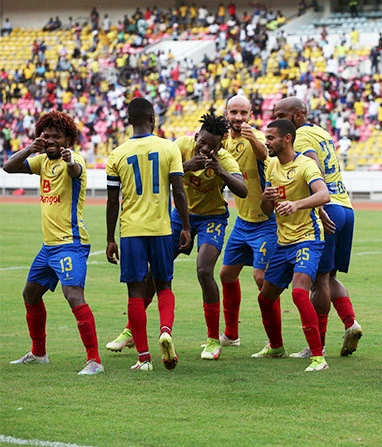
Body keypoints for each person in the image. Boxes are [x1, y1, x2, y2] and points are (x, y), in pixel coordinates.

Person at [105, 113, 248, 361]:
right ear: (196, 137)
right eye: (202, 142)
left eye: (212, 146)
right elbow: (157, 174)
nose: (206, 149)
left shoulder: (224, 158)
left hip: (212, 218)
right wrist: (184, 167)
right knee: (154, 272)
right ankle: (130, 331)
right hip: (179, 217)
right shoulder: (179, 147)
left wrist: (220, 172)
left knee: (204, 271)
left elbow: (242, 190)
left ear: (220, 146)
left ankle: (213, 341)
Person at [4, 110, 102, 375]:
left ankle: (94, 360)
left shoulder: (73, 158)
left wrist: (69, 158)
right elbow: (8, 167)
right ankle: (38, 353)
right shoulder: (41, 162)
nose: (49, 141)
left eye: (55, 137)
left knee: (73, 295)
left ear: (67, 139)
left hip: (71, 243)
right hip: (49, 246)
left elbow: (75, 170)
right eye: (45, 136)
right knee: (30, 294)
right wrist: (29, 148)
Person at [272, 97, 363, 358]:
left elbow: (314, 169)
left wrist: (319, 209)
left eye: (282, 114)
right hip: (346, 207)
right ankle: (350, 322)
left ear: (298, 115)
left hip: (328, 208)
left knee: (319, 281)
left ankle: (317, 345)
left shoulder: (298, 136)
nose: (278, 118)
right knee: (330, 277)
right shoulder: (321, 132)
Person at [105, 98, 191, 372]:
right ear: (153, 118)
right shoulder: (169, 148)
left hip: (131, 231)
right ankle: (165, 329)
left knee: (135, 293)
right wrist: (186, 226)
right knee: (164, 285)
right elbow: (179, 191)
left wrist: (110, 238)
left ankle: (143, 358)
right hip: (162, 229)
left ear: (129, 121)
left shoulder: (117, 153)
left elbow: (111, 201)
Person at [253, 119, 330, 372]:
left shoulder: (306, 165)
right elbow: (266, 211)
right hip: (283, 242)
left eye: (271, 138)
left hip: (308, 237)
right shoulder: (271, 165)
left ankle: (318, 358)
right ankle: (276, 347)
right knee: (266, 298)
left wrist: (297, 204)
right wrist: (266, 199)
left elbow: (324, 194)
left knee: (299, 293)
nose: (267, 142)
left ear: (287, 138)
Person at [219, 95, 277, 348]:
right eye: (234, 112)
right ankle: (231, 334)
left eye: (244, 113)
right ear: (226, 114)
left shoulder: (257, 139)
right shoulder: (223, 142)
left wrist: (252, 137)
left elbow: (265, 156)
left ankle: (275, 342)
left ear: (251, 115)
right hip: (242, 221)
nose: (239, 117)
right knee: (227, 274)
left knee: (261, 278)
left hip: (265, 221)